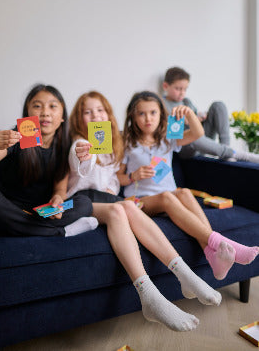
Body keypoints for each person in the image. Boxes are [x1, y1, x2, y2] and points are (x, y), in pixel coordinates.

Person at [68, 91, 224, 332]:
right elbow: (83, 169)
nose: (94, 116)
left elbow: (110, 177)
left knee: (181, 193)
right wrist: (119, 171)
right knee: (133, 205)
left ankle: (207, 249)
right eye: (87, 112)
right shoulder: (83, 142)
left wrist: (188, 113)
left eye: (99, 110)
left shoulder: (119, 142)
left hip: (114, 198)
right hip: (109, 199)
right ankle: (192, 265)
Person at [117, 91, 259, 283]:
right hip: (141, 201)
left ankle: (212, 256)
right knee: (168, 196)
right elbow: (118, 178)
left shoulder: (167, 138)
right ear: (132, 117)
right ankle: (223, 243)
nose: (148, 118)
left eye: (153, 113)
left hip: (172, 196)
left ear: (161, 115)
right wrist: (133, 176)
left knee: (183, 191)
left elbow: (197, 134)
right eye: (141, 114)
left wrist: (189, 114)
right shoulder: (127, 143)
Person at [0, 84, 98, 242]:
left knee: (85, 203)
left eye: (52, 106)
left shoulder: (65, 145)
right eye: (37, 106)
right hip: (9, 206)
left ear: (62, 116)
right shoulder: (17, 136)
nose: (45, 113)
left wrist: (58, 200)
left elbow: (60, 188)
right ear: (27, 113)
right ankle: (62, 232)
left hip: (41, 211)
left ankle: (0, 229)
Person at [162, 66, 259, 163]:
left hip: (202, 138)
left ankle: (226, 147)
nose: (182, 93)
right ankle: (235, 153)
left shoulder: (186, 101)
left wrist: (200, 117)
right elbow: (166, 132)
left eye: (185, 89)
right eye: (178, 89)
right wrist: (185, 121)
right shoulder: (162, 105)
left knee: (218, 105)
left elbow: (196, 119)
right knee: (193, 136)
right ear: (165, 86)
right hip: (185, 146)